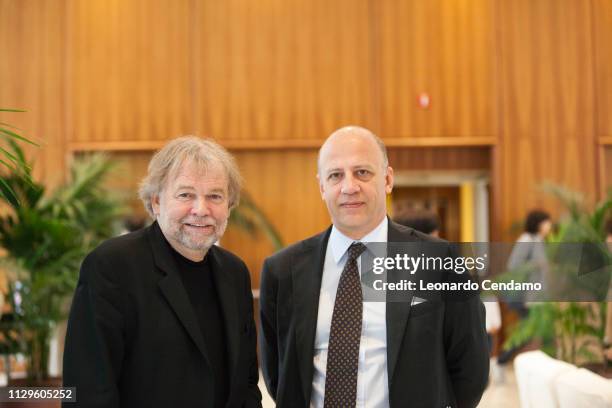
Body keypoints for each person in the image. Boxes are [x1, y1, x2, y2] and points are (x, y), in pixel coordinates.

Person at [259, 126, 489, 407]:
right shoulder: (282, 270)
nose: (349, 187)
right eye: (335, 175)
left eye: (362, 172)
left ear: (388, 179)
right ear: (322, 187)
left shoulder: (441, 262)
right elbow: (277, 374)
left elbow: (470, 370)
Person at [63, 137, 262, 408]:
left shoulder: (235, 273)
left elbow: (247, 383)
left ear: (229, 205)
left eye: (215, 196)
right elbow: (88, 390)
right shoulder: (112, 265)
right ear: (156, 202)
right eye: (185, 195)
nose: (201, 210)